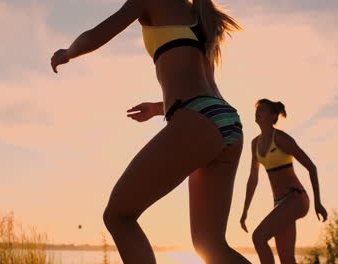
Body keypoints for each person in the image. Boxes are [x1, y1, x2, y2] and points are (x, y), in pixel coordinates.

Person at [51, 0, 250, 263]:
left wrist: (67, 52)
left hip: (197, 119)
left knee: (119, 216)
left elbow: (96, 35)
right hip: (226, 120)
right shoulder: (199, 13)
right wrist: (159, 109)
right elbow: (197, 80)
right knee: (211, 245)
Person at [240, 99, 328, 264]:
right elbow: (253, 179)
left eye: (263, 110)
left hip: (296, 198)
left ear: (273, 115)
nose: (257, 112)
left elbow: (312, 167)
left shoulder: (281, 138)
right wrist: (245, 212)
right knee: (286, 258)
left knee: (259, 237)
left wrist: (318, 202)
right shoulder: (255, 144)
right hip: (280, 203)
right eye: (257, 109)